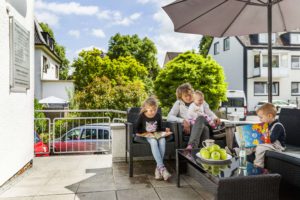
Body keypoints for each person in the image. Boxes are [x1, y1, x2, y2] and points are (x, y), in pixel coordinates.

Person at [167, 83, 221, 149]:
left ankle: (191, 147)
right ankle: (203, 151)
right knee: (205, 129)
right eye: (185, 96)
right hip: (189, 127)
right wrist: (183, 121)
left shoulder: (200, 100)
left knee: (201, 119)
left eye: (190, 95)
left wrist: (215, 118)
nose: (188, 97)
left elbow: (209, 112)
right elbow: (169, 117)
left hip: (201, 123)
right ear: (181, 96)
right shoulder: (178, 103)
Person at [135, 97, 172, 181]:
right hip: (148, 136)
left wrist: (165, 129)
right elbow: (137, 128)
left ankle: (158, 169)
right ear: (146, 108)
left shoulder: (158, 115)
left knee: (162, 141)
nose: (153, 112)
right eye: (151, 110)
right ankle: (162, 168)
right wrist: (145, 131)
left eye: (154, 110)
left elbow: (159, 127)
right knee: (154, 142)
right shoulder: (142, 116)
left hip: (156, 134)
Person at [253, 103, 286, 168]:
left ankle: (258, 166)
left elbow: (272, 139)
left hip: (277, 145)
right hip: (268, 143)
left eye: (261, 117)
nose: (260, 120)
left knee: (260, 147)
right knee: (250, 145)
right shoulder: (266, 125)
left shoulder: (278, 126)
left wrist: (260, 138)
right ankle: (236, 152)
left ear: (270, 116)